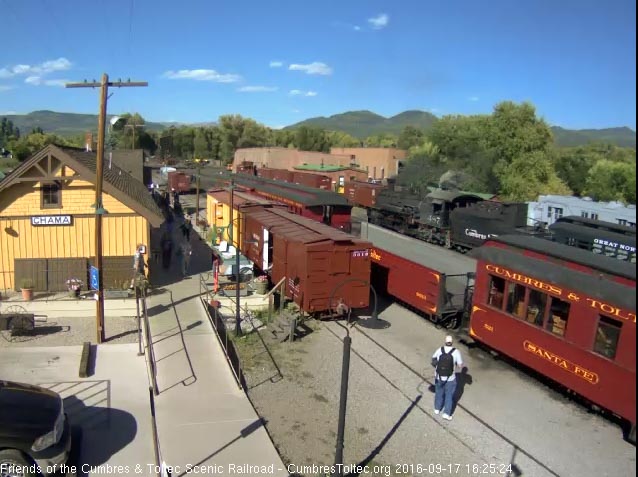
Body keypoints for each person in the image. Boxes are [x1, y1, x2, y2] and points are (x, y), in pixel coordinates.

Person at [431, 335, 464, 421]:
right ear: (452, 342)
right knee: (449, 396)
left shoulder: (440, 349)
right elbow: (460, 366)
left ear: (445, 342)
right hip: (450, 378)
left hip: (439, 376)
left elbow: (433, 359)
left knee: (439, 392)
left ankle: (437, 409)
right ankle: (446, 414)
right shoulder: (456, 352)